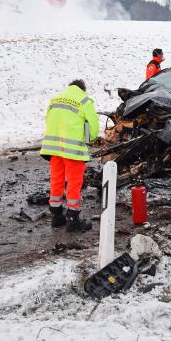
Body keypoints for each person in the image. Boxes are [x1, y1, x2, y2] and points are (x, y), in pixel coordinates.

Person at [39, 79, 99, 232]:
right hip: (73, 150)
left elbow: (48, 119)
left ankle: (57, 216)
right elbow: (93, 128)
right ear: (82, 89)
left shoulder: (56, 99)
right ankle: (73, 219)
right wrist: (88, 139)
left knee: (57, 180)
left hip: (53, 148)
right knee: (74, 182)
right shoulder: (85, 100)